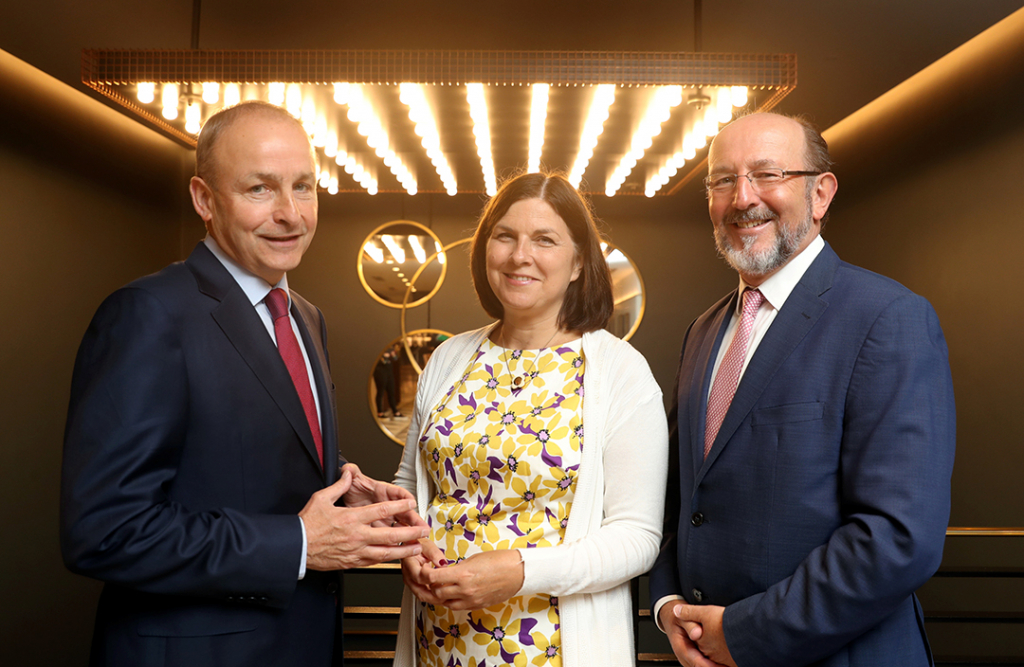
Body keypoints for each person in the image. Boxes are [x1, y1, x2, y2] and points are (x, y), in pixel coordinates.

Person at [60, 101, 429, 667]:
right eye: (260, 189)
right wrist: (301, 544)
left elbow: (244, 454)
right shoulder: (148, 314)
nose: (290, 214)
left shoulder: (305, 315)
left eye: (303, 187)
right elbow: (105, 530)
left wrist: (342, 486)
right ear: (204, 200)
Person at [649, 112, 956, 667]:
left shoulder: (888, 319)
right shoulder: (702, 332)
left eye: (768, 175)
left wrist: (741, 635)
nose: (743, 198)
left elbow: (898, 538)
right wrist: (669, 604)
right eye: (723, 179)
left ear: (821, 193)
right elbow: (683, 497)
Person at [393, 172, 669, 667]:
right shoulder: (450, 357)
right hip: (438, 645)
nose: (520, 255)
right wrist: (406, 542)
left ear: (579, 261)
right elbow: (412, 487)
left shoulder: (620, 371)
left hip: (555, 651)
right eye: (505, 236)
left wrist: (520, 570)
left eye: (545, 239)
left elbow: (637, 538)